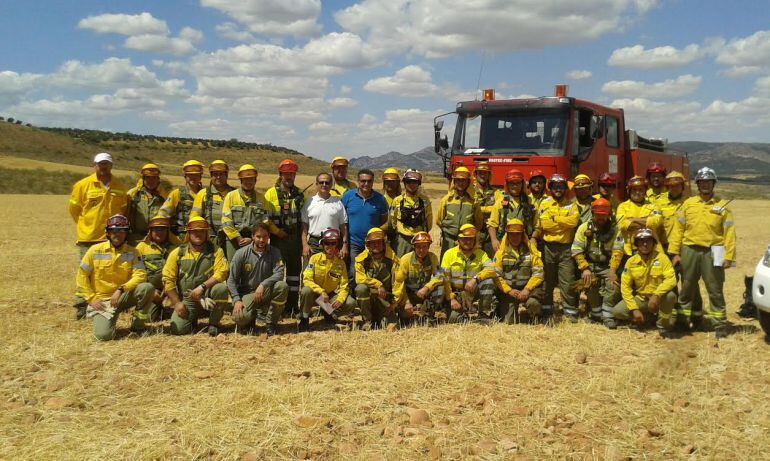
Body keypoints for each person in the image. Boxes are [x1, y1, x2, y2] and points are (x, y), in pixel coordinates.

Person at [669, 167, 736, 337]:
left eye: (708, 182)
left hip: (715, 250)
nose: (705, 185)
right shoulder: (688, 204)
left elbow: (729, 233)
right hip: (689, 249)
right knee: (687, 288)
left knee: (715, 289)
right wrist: (675, 253)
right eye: (702, 182)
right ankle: (683, 322)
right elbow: (678, 230)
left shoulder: (722, 206)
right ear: (697, 184)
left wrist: (729, 257)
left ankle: (720, 325)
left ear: (713, 184)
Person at [76, 214, 154, 340]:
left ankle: (138, 325)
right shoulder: (94, 251)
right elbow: (82, 276)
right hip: (103, 301)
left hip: (122, 296)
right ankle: (107, 321)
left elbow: (140, 275)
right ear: (108, 233)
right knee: (103, 336)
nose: (118, 234)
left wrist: (121, 289)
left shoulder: (133, 252)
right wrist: (91, 299)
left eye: (122, 231)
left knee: (147, 288)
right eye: (114, 231)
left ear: (127, 233)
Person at [163, 216, 230, 336]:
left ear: (206, 233)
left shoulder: (216, 251)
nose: (198, 234)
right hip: (188, 299)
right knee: (178, 330)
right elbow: (168, 280)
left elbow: (222, 272)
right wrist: (177, 303)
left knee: (221, 289)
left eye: (202, 231)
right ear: (188, 233)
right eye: (194, 231)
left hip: (207, 298)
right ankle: (191, 319)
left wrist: (202, 287)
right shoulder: (177, 253)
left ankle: (213, 324)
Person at [612, 228, 677, 338]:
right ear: (636, 244)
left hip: (659, 298)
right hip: (641, 298)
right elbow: (625, 288)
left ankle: (662, 326)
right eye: (641, 241)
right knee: (617, 311)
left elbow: (671, 280)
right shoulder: (631, 262)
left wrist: (656, 295)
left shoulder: (662, 258)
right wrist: (634, 309)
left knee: (670, 296)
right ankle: (647, 319)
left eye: (648, 241)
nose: (645, 244)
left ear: (654, 243)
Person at [226, 222, 288, 336]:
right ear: (252, 237)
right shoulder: (241, 253)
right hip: (248, 294)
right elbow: (231, 280)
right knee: (239, 318)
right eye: (258, 237)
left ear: (269, 237)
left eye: (265, 236)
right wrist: (236, 299)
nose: (261, 240)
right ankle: (251, 317)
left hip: (266, 291)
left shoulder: (275, 252)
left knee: (282, 287)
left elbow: (279, 273)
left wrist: (263, 285)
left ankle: (270, 323)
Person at [532, 173, 579, 321]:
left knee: (567, 280)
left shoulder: (572, 204)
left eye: (561, 187)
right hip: (547, 247)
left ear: (565, 188)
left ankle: (570, 313)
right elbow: (542, 225)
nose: (558, 189)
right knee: (547, 280)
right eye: (555, 187)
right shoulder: (544, 203)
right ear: (550, 188)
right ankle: (547, 310)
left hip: (566, 248)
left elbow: (573, 222)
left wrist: (555, 219)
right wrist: (561, 223)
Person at [571, 198, 624, 327]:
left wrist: (612, 271)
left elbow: (618, 251)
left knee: (614, 284)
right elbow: (576, 249)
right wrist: (585, 268)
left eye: (604, 215)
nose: (601, 218)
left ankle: (607, 314)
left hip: (607, 266)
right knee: (587, 282)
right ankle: (596, 313)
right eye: (598, 215)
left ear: (609, 214)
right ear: (593, 213)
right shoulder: (584, 228)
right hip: (591, 266)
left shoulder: (616, 229)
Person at [658, 171, 702, 327]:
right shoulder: (659, 203)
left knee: (690, 282)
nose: (674, 189)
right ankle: (676, 317)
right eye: (671, 186)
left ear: (682, 186)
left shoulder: (690, 203)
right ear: (667, 187)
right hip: (665, 249)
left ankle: (696, 317)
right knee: (670, 283)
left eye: (677, 186)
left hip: (686, 249)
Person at [479, 218, 544, 324]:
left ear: (522, 235)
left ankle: (535, 316)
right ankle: (500, 309)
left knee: (533, 303)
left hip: (528, 290)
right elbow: (496, 275)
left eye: (518, 234)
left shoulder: (532, 252)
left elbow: (539, 273)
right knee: (508, 321)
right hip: (509, 292)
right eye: (512, 234)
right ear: (507, 235)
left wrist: (527, 290)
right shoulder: (501, 253)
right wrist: (509, 290)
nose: (515, 237)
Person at [264, 159, 306, 315]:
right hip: (278, 239)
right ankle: (275, 308)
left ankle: (292, 305)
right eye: (286, 174)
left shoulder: (299, 194)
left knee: (295, 274)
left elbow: (303, 218)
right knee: (276, 273)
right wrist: (276, 231)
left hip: (294, 239)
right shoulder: (270, 193)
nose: (289, 177)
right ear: (280, 174)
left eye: (292, 174)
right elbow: (265, 217)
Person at [68, 152, 128, 259]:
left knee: (109, 270)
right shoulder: (82, 185)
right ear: (94, 166)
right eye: (100, 164)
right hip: (89, 238)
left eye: (106, 163)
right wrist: (87, 224)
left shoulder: (120, 186)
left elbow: (123, 209)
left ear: (111, 166)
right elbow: (74, 210)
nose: (103, 167)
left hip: (113, 237)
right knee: (88, 271)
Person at [298, 228, 356, 332]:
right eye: (327, 243)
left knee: (350, 302)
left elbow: (344, 286)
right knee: (306, 290)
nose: (330, 246)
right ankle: (304, 319)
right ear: (322, 244)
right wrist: (321, 291)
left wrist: (340, 299)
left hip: (329, 297)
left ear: (337, 245)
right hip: (315, 294)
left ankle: (328, 312)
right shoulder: (314, 259)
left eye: (333, 243)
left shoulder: (340, 263)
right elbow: (307, 279)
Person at [341, 169, 389, 286]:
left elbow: (383, 221)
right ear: (358, 181)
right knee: (353, 272)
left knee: (371, 272)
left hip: (373, 244)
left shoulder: (380, 199)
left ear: (373, 182)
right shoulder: (348, 196)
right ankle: (352, 299)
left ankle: (368, 298)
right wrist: (345, 243)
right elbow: (342, 220)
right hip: (354, 243)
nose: (366, 184)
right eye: (363, 181)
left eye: (369, 181)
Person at [221, 164, 278, 261]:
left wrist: (252, 239)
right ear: (241, 180)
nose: (248, 182)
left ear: (255, 180)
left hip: (253, 240)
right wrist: (238, 238)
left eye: (251, 179)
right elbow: (226, 221)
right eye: (245, 179)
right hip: (234, 240)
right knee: (234, 268)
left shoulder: (261, 199)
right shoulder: (231, 196)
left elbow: (265, 221)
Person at [440, 224, 494, 323]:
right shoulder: (449, 254)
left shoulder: (481, 254)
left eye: (471, 239)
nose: (467, 242)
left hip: (472, 291)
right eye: (464, 239)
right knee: (454, 319)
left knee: (488, 281)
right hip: (456, 294)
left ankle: (483, 314)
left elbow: (492, 268)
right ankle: (461, 312)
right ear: (459, 239)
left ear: (475, 240)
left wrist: (475, 279)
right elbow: (444, 278)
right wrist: (451, 299)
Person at [392, 232, 444, 325]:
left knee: (440, 289)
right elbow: (399, 284)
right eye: (418, 247)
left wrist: (426, 288)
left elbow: (440, 276)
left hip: (423, 293)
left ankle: (427, 316)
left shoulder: (433, 257)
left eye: (425, 247)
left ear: (428, 247)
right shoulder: (405, 259)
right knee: (405, 318)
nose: (421, 250)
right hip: (408, 294)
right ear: (414, 247)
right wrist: (406, 302)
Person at [354, 228, 400, 330]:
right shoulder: (361, 260)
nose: (376, 245)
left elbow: (398, 284)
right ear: (368, 244)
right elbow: (359, 279)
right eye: (372, 243)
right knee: (360, 288)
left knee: (390, 326)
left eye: (379, 242)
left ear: (384, 243)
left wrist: (394, 304)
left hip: (385, 299)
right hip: (369, 299)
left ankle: (383, 317)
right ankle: (367, 320)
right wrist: (378, 284)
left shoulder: (393, 260)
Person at [135, 215, 179, 321]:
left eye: (163, 229)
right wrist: (152, 292)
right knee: (150, 318)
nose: (160, 232)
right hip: (153, 290)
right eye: (156, 229)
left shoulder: (176, 248)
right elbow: (137, 273)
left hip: (172, 288)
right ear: (150, 231)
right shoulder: (141, 248)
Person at [436, 166, 482, 257]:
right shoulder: (446, 200)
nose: (461, 183)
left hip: (467, 242)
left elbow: (478, 223)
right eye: (458, 180)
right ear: (454, 182)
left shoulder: (474, 201)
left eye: (464, 180)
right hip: (449, 242)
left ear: (468, 182)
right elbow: (439, 221)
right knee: (445, 266)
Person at [487, 168, 535, 252]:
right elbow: (492, 224)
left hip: (526, 244)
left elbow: (537, 225)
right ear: (507, 185)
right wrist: (494, 240)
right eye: (511, 183)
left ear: (522, 184)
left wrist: (533, 238)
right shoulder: (500, 202)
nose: (515, 186)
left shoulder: (530, 201)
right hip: (504, 244)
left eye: (518, 183)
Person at [301, 173, 348, 258]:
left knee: (333, 270)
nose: (324, 185)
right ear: (316, 184)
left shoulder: (338, 203)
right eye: (321, 182)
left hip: (334, 243)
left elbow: (343, 227)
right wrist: (305, 245)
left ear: (331, 184)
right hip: (314, 244)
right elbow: (304, 227)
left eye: (327, 182)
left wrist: (344, 246)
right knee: (313, 270)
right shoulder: (309, 202)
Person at [191, 160, 234, 250]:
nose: (218, 177)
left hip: (231, 241)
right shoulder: (203, 194)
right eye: (215, 174)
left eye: (221, 174)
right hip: (209, 242)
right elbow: (194, 220)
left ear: (226, 175)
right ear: (211, 176)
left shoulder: (234, 194)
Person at [389, 169, 432, 257]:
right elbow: (392, 222)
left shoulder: (425, 201)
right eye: (409, 182)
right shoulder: (397, 201)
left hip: (419, 240)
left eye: (415, 182)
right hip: (402, 240)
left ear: (418, 183)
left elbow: (429, 222)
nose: (412, 185)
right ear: (404, 183)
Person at [159, 160, 204, 239]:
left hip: (201, 236)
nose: (193, 178)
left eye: (196, 175)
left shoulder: (206, 194)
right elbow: (163, 214)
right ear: (185, 177)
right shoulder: (176, 194)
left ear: (200, 176)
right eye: (190, 175)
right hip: (180, 237)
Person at [126, 163, 167, 244]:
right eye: (148, 178)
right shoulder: (133, 194)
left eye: (154, 178)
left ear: (158, 179)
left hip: (157, 238)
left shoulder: (164, 196)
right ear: (143, 179)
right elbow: (125, 214)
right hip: (135, 238)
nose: (151, 181)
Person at [473, 161, 498, 257]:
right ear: (475, 174)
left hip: (490, 237)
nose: (483, 176)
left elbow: (499, 211)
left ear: (489, 175)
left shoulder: (496, 193)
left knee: (491, 264)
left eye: (485, 173)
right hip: (474, 236)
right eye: (480, 173)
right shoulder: (470, 191)